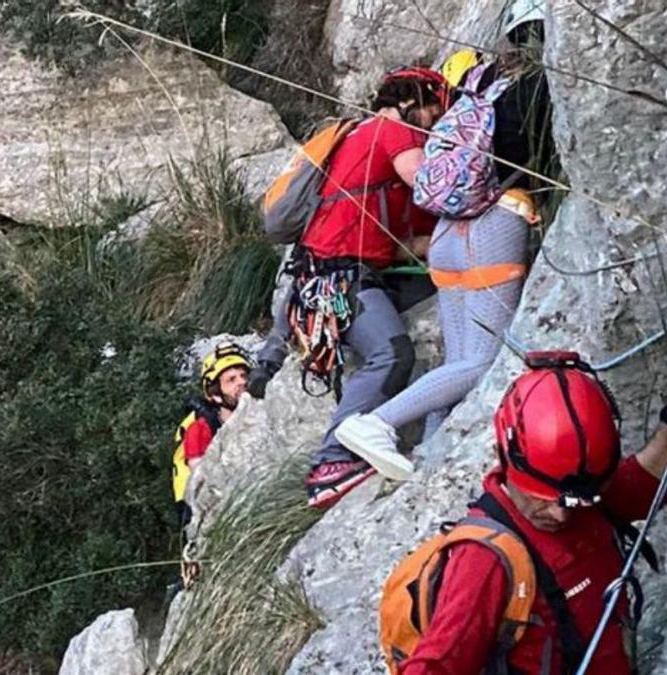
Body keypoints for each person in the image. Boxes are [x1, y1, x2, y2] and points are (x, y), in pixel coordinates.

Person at [334, 0, 556, 476]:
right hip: (493, 226)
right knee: (480, 362)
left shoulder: (482, 84)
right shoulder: (542, 87)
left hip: (447, 238)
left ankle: (433, 455)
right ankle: (375, 424)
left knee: (455, 364)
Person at [248, 67, 450, 508]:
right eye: (435, 108)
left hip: (325, 275)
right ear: (414, 100)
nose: (437, 121)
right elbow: (433, 186)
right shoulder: (393, 130)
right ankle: (333, 459)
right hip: (339, 277)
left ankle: (276, 363)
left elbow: (392, 242)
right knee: (392, 352)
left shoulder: (360, 139)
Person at [394, 354, 667, 674]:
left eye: (573, 503)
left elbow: (640, 489)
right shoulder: (484, 561)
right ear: (504, 457)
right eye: (543, 498)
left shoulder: (582, 495)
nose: (561, 514)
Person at [172, 342, 251, 526]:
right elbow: (202, 477)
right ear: (215, 394)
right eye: (231, 380)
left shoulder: (253, 415)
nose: (242, 382)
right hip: (200, 513)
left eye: (243, 376)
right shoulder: (200, 429)